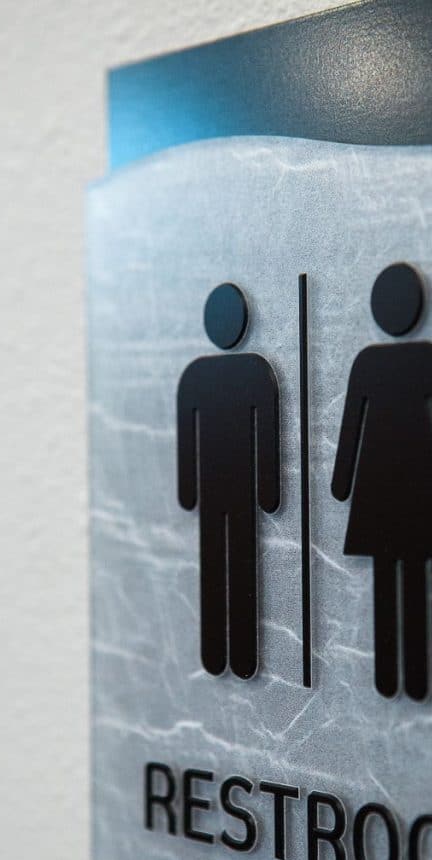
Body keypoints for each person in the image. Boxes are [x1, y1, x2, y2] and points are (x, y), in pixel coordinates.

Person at [332, 263, 432, 701]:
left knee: (391, 578)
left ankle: (393, 677)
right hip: (419, 486)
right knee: (409, 576)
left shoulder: (370, 362)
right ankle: (407, 678)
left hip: (377, 488)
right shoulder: (424, 359)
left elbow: (352, 429)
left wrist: (341, 483)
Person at [177, 282, 280, 679]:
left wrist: (189, 493)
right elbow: (267, 438)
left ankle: (220, 654)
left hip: (215, 491)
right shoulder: (254, 371)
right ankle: (237, 656)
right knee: (239, 563)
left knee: (217, 565)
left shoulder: (195, 377)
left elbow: (188, 441)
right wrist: (269, 493)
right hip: (240, 491)